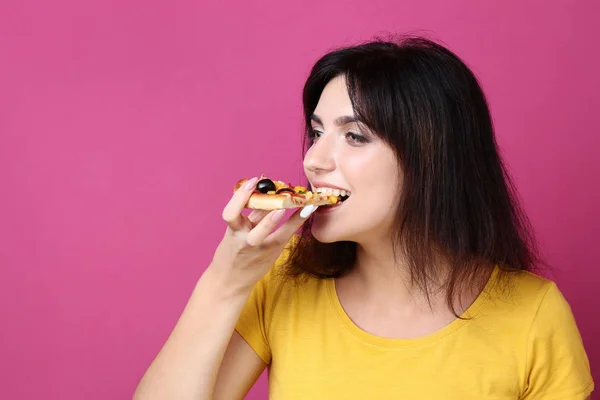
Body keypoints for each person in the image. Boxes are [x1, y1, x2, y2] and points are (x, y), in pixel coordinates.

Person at [133, 36, 594, 399]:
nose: (313, 159)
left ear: (432, 159)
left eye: (354, 136)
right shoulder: (284, 278)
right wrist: (225, 281)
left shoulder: (533, 315)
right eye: (316, 132)